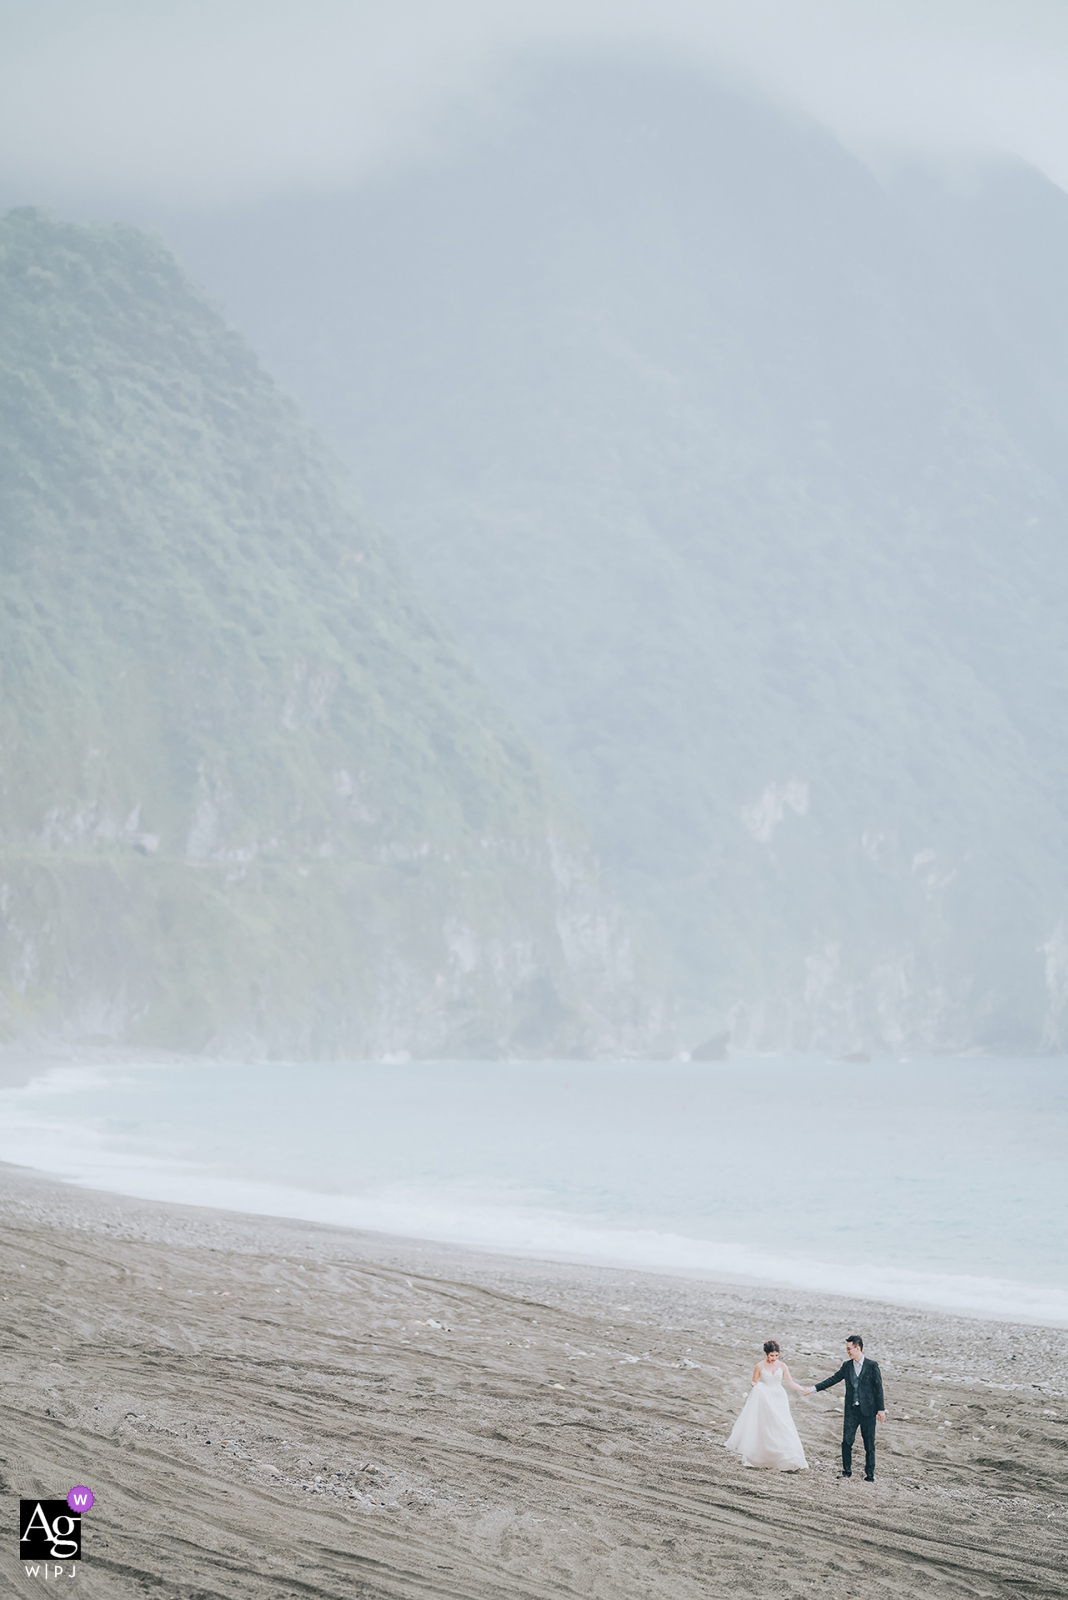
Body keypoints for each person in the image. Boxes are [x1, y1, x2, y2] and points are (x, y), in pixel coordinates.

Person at [724, 1340, 809, 1471]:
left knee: (783, 1425)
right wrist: (758, 1387)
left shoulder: (782, 1366)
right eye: (771, 1356)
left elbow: (790, 1382)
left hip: (779, 1397)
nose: (774, 1358)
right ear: (766, 1354)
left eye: (776, 1355)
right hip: (765, 1397)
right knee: (767, 1426)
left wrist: (803, 1389)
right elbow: (753, 1381)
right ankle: (764, 1457)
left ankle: (788, 1458)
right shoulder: (759, 1366)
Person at [812, 1335, 886, 1481]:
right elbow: (833, 1379)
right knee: (847, 1441)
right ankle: (847, 1471)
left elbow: (879, 1388)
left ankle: (869, 1475)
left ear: (857, 1348)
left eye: (849, 1349)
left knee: (869, 1443)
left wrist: (881, 1409)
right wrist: (814, 1388)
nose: (847, 1352)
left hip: (868, 1411)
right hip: (851, 1411)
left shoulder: (872, 1366)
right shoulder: (847, 1366)